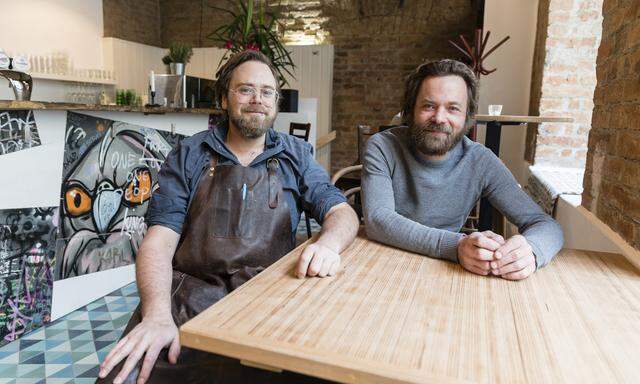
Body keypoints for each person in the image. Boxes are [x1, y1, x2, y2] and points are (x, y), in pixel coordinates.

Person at [97, 50, 359, 384]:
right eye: (245, 90)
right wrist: (156, 316)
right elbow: (159, 242)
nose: (257, 100)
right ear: (225, 99)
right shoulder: (189, 154)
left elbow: (341, 212)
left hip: (270, 298)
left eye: (267, 92)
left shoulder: (296, 155)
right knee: (124, 377)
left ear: (276, 101)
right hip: (190, 299)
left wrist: (329, 245)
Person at [362, 59, 563, 281]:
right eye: (428, 106)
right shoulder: (382, 146)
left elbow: (546, 225)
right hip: (380, 263)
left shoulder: (481, 161)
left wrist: (531, 251)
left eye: (453, 108)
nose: (439, 118)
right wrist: (456, 246)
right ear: (410, 111)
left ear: (468, 118)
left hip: (444, 272)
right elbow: (378, 220)